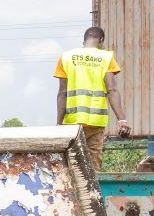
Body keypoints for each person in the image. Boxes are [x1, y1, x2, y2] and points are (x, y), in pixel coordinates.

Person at [54, 27, 131, 171]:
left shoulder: (66, 58)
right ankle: (93, 194)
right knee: (93, 168)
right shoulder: (106, 58)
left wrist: (59, 124)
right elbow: (112, 90)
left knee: (72, 166)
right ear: (101, 40)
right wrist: (122, 120)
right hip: (96, 122)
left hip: (72, 123)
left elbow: (62, 93)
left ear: (84, 41)